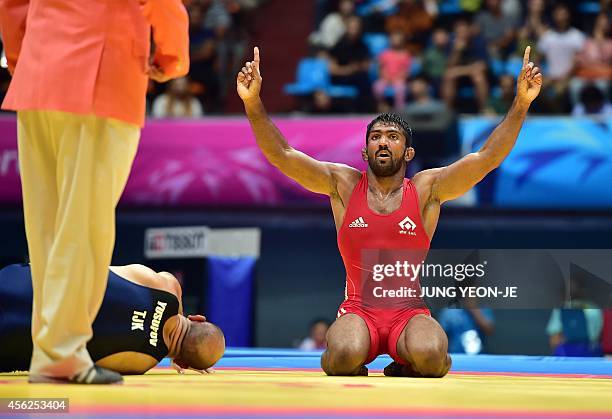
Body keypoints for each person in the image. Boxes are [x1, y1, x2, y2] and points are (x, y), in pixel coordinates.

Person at [237, 46, 542, 377]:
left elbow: (485, 159)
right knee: (342, 355)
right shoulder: (342, 184)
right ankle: (356, 360)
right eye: (376, 137)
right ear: (365, 152)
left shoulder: (427, 189)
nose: (383, 142)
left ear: (408, 151)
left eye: (392, 137)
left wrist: (521, 104)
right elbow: (282, 154)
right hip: (358, 311)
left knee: (432, 356)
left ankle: (407, 362)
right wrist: (253, 103)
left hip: (408, 313)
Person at [0, 0, 189, 384]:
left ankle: (51, 350)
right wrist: (173, 58)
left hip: (38, 74)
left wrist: (24, 58)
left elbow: (13, 4)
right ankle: (61, 355)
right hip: (101, 74)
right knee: (84, 227)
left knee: (46, 230)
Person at [0, 263, 225, 375]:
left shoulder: (166, 285)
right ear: (183, 363)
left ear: (197, 317)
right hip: (15, 338)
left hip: (24, 285)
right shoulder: (142, 362)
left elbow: (172, 305)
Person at [373, 31, 412, 111]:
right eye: (393, 39)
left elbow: (406, 71)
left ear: (402, 41)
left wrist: (397, 78)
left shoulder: (405, 54)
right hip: (385, 78)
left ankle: (399, 110)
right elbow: (380, 68)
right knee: (377, 87)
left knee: (400, 89)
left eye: (398, 39)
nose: (396, 41)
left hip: (399, 79)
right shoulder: (384, 54)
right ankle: (382, 106)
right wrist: (385, 76)